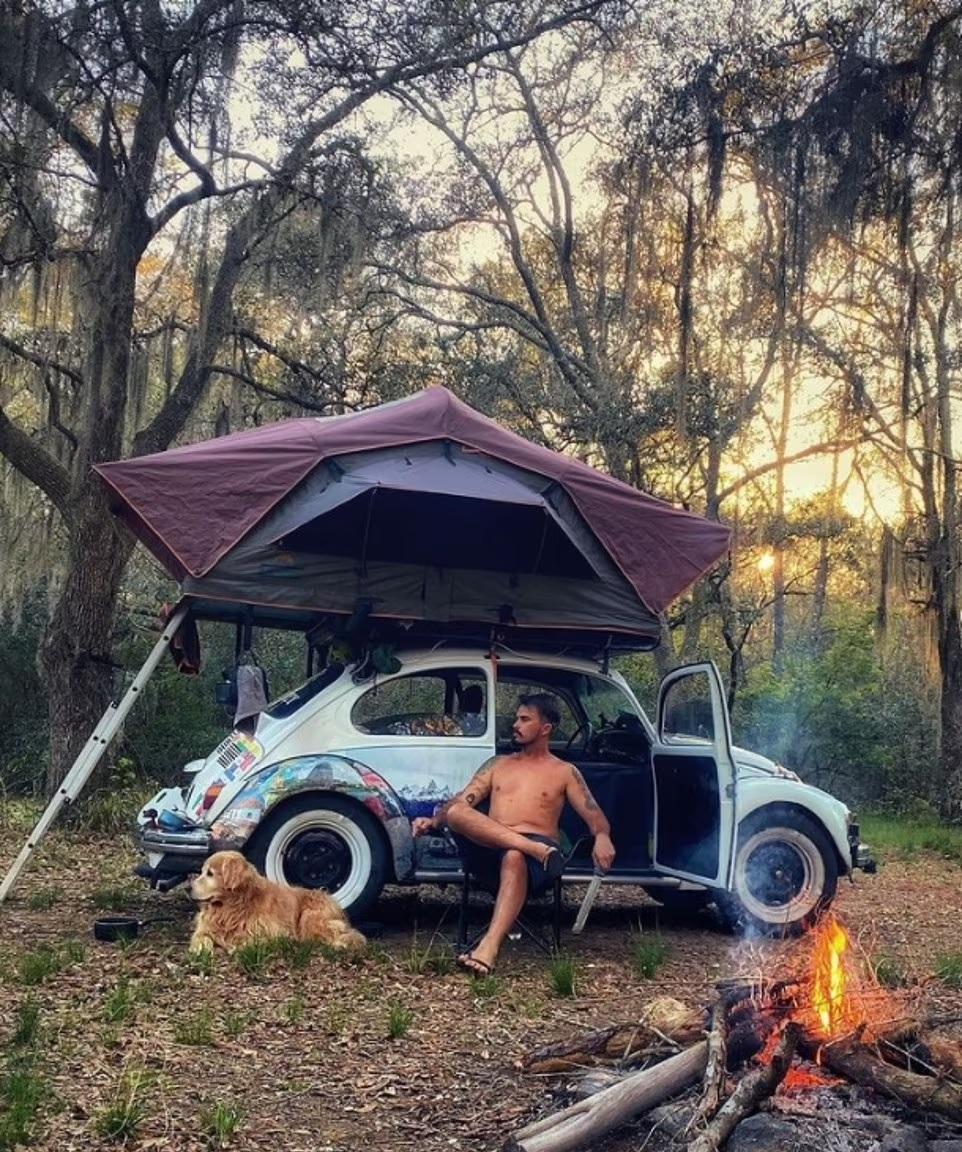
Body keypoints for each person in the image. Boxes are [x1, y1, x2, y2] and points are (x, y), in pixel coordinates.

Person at [412, 692, 615, 975]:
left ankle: (489, 947)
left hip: (536, 863)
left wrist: (602, 837)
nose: (516, 725)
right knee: (457, 812)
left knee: (514, 856)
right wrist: (434, 821)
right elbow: (464, 800)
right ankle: (530, 849)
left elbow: (596, 818)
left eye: (524, 719)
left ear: (545, 728)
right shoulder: (498, 765)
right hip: (494, 851)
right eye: (517, 718)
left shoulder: (565, 772)